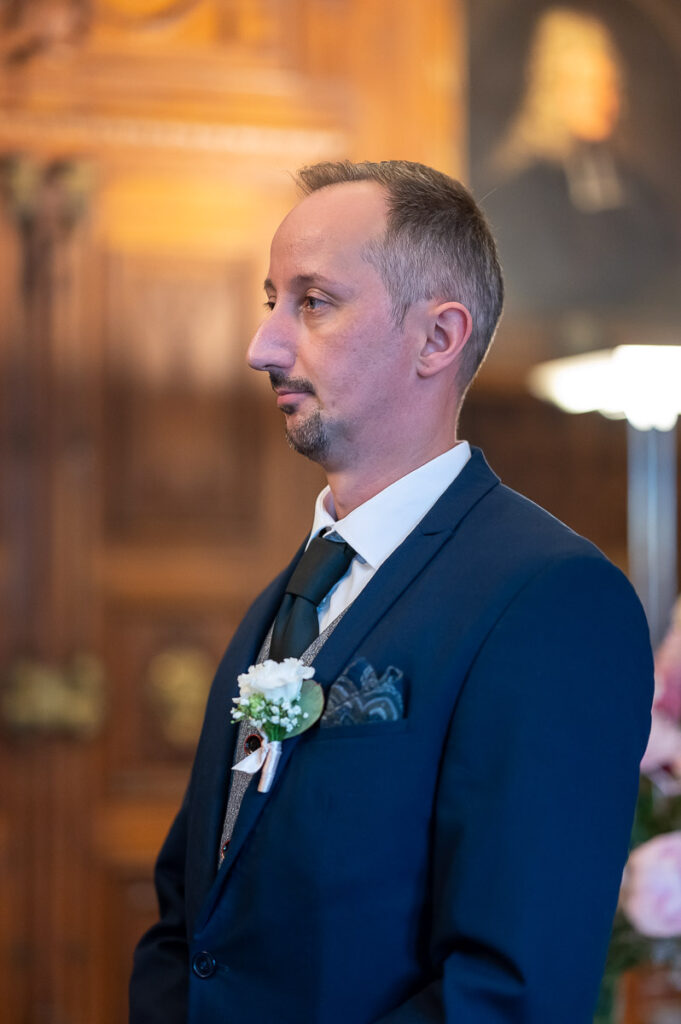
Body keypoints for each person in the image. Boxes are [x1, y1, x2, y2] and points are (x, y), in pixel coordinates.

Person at [129, 160, 653, 1023]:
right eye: (272, 301)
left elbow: (510, 992)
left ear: (437, 339)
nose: (263, 346)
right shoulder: (287, 596)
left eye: (312, 302)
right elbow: (191, 918)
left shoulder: (551, 600)